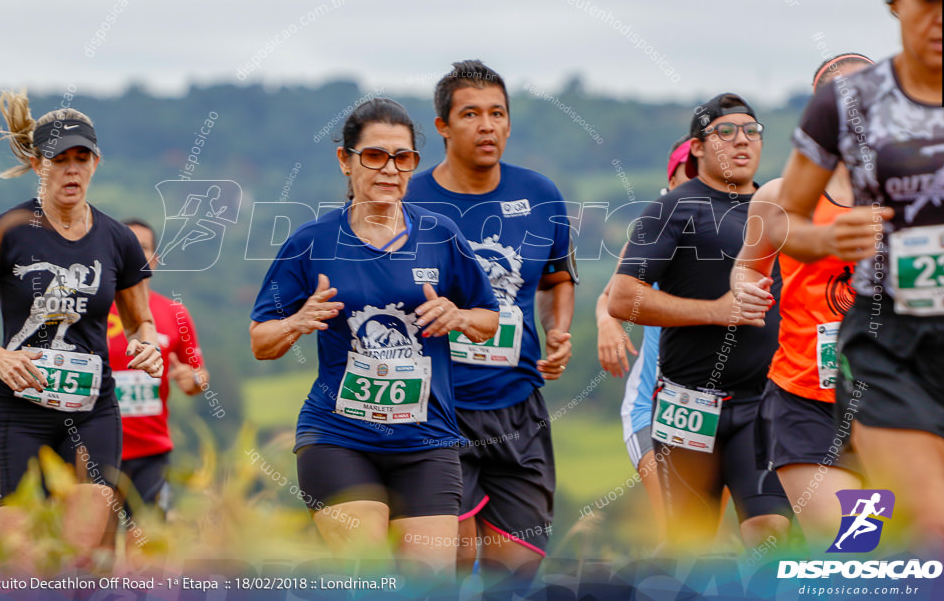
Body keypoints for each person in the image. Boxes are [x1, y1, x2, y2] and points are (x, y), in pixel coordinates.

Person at [776, 0, 944, 553]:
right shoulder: (846, 104)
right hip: (892, 350)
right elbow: (787, 224)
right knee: (934, 541)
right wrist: (830, 241)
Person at [250, 97, 498, 576]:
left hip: (427, 440)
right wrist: (297, 322)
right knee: (368, 577)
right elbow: (262, 341)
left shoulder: (440, 235)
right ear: (345, 160)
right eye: (375, 156)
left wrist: (459, 315)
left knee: (427, 585)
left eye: (403, 158)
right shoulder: (312, 241)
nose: (390, 169)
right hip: (338, 438)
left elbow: (490, 320)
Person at [0, 91, 161, 565]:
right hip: (17, 412)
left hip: (92, 411)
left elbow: (140, 320)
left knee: (82, 558)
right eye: (58, 159)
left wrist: (146, 347)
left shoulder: (118, 239)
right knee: (23, 561)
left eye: (80, 158)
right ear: (37, 162)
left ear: (95, 163)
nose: (70, 169)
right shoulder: (7, 229)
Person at [405, 60, 576, 581]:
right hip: (437, 411)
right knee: (447, 567)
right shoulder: (407, 199)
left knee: (518, 576)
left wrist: (556, 330)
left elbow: (556, 278)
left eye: (497, 113)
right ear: (442, 126)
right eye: (471, 114)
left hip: (518, 407)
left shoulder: (542, 195)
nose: (487, 126)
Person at [608, 93, 791, 554]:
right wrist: (716, 310)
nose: (741, 141)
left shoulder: (777, 208)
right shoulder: (674, 208)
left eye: (752, 131)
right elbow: (623, 299)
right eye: (725, 132)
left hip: (763, 403)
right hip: (689, 406)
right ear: (697, 147)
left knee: (770, 530)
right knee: (688, 549)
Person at [732, 53, 873, 552]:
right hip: (806, 399)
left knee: (918, 551)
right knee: (852, 547)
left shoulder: (922, 190)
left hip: (900, 397)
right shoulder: (777, 196)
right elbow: (746, 270)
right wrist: (745, 291)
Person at [596, 136, 695, 546]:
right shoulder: (654, 233)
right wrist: (607, 323)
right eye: (689, 176)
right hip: (654, 406)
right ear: (670, 182)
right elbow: (610, 295)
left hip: (731, 404)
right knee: (679, 527)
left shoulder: (746, 231)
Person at [106, 219, 211, 550]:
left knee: (147, 552)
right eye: (127, 247)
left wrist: (193, 380)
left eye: (144, 248)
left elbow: (199, 377)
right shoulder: (92, 310)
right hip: (97, 449)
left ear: (155, 259)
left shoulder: (174, 312)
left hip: (151, 452)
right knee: (95, 555)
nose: (136, 255)